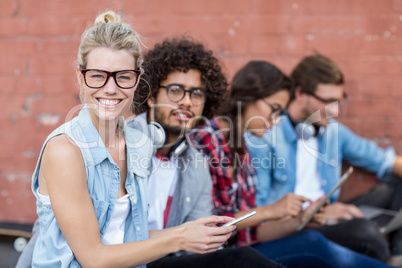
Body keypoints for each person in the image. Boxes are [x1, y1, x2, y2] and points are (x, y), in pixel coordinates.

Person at [26, 11, 270, 268]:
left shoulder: (136, 143)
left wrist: (191, 231)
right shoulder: (65, 150)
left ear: (137, 79)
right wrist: (179, 238)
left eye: (123, 77)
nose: (111, 88)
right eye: (98, 75)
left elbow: (129, 237)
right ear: (80, 76)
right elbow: (93, 258)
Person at [190, 60, 394, 268]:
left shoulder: (244, 148)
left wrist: (299, 221)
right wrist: (272, 211)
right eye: (275, 109)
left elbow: (251, 232)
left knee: (315, 240)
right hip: (215, 255)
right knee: (321, 241)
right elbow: (206, 225)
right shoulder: (210, 139)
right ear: (249, 97)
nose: (276, 120)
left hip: (242, 246)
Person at [246, 54, 402, 263]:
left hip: (328, 214)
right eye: (328, 101)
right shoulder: (266, 135)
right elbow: (259, 212)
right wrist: (319, 215)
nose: (335, 111)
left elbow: (384, 160)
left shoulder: (333, 132)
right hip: (294, 227)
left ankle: (397, 256)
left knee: (397, 184)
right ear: (300, 93)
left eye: (338, 101)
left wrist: (328, 213)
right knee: (364, 231)